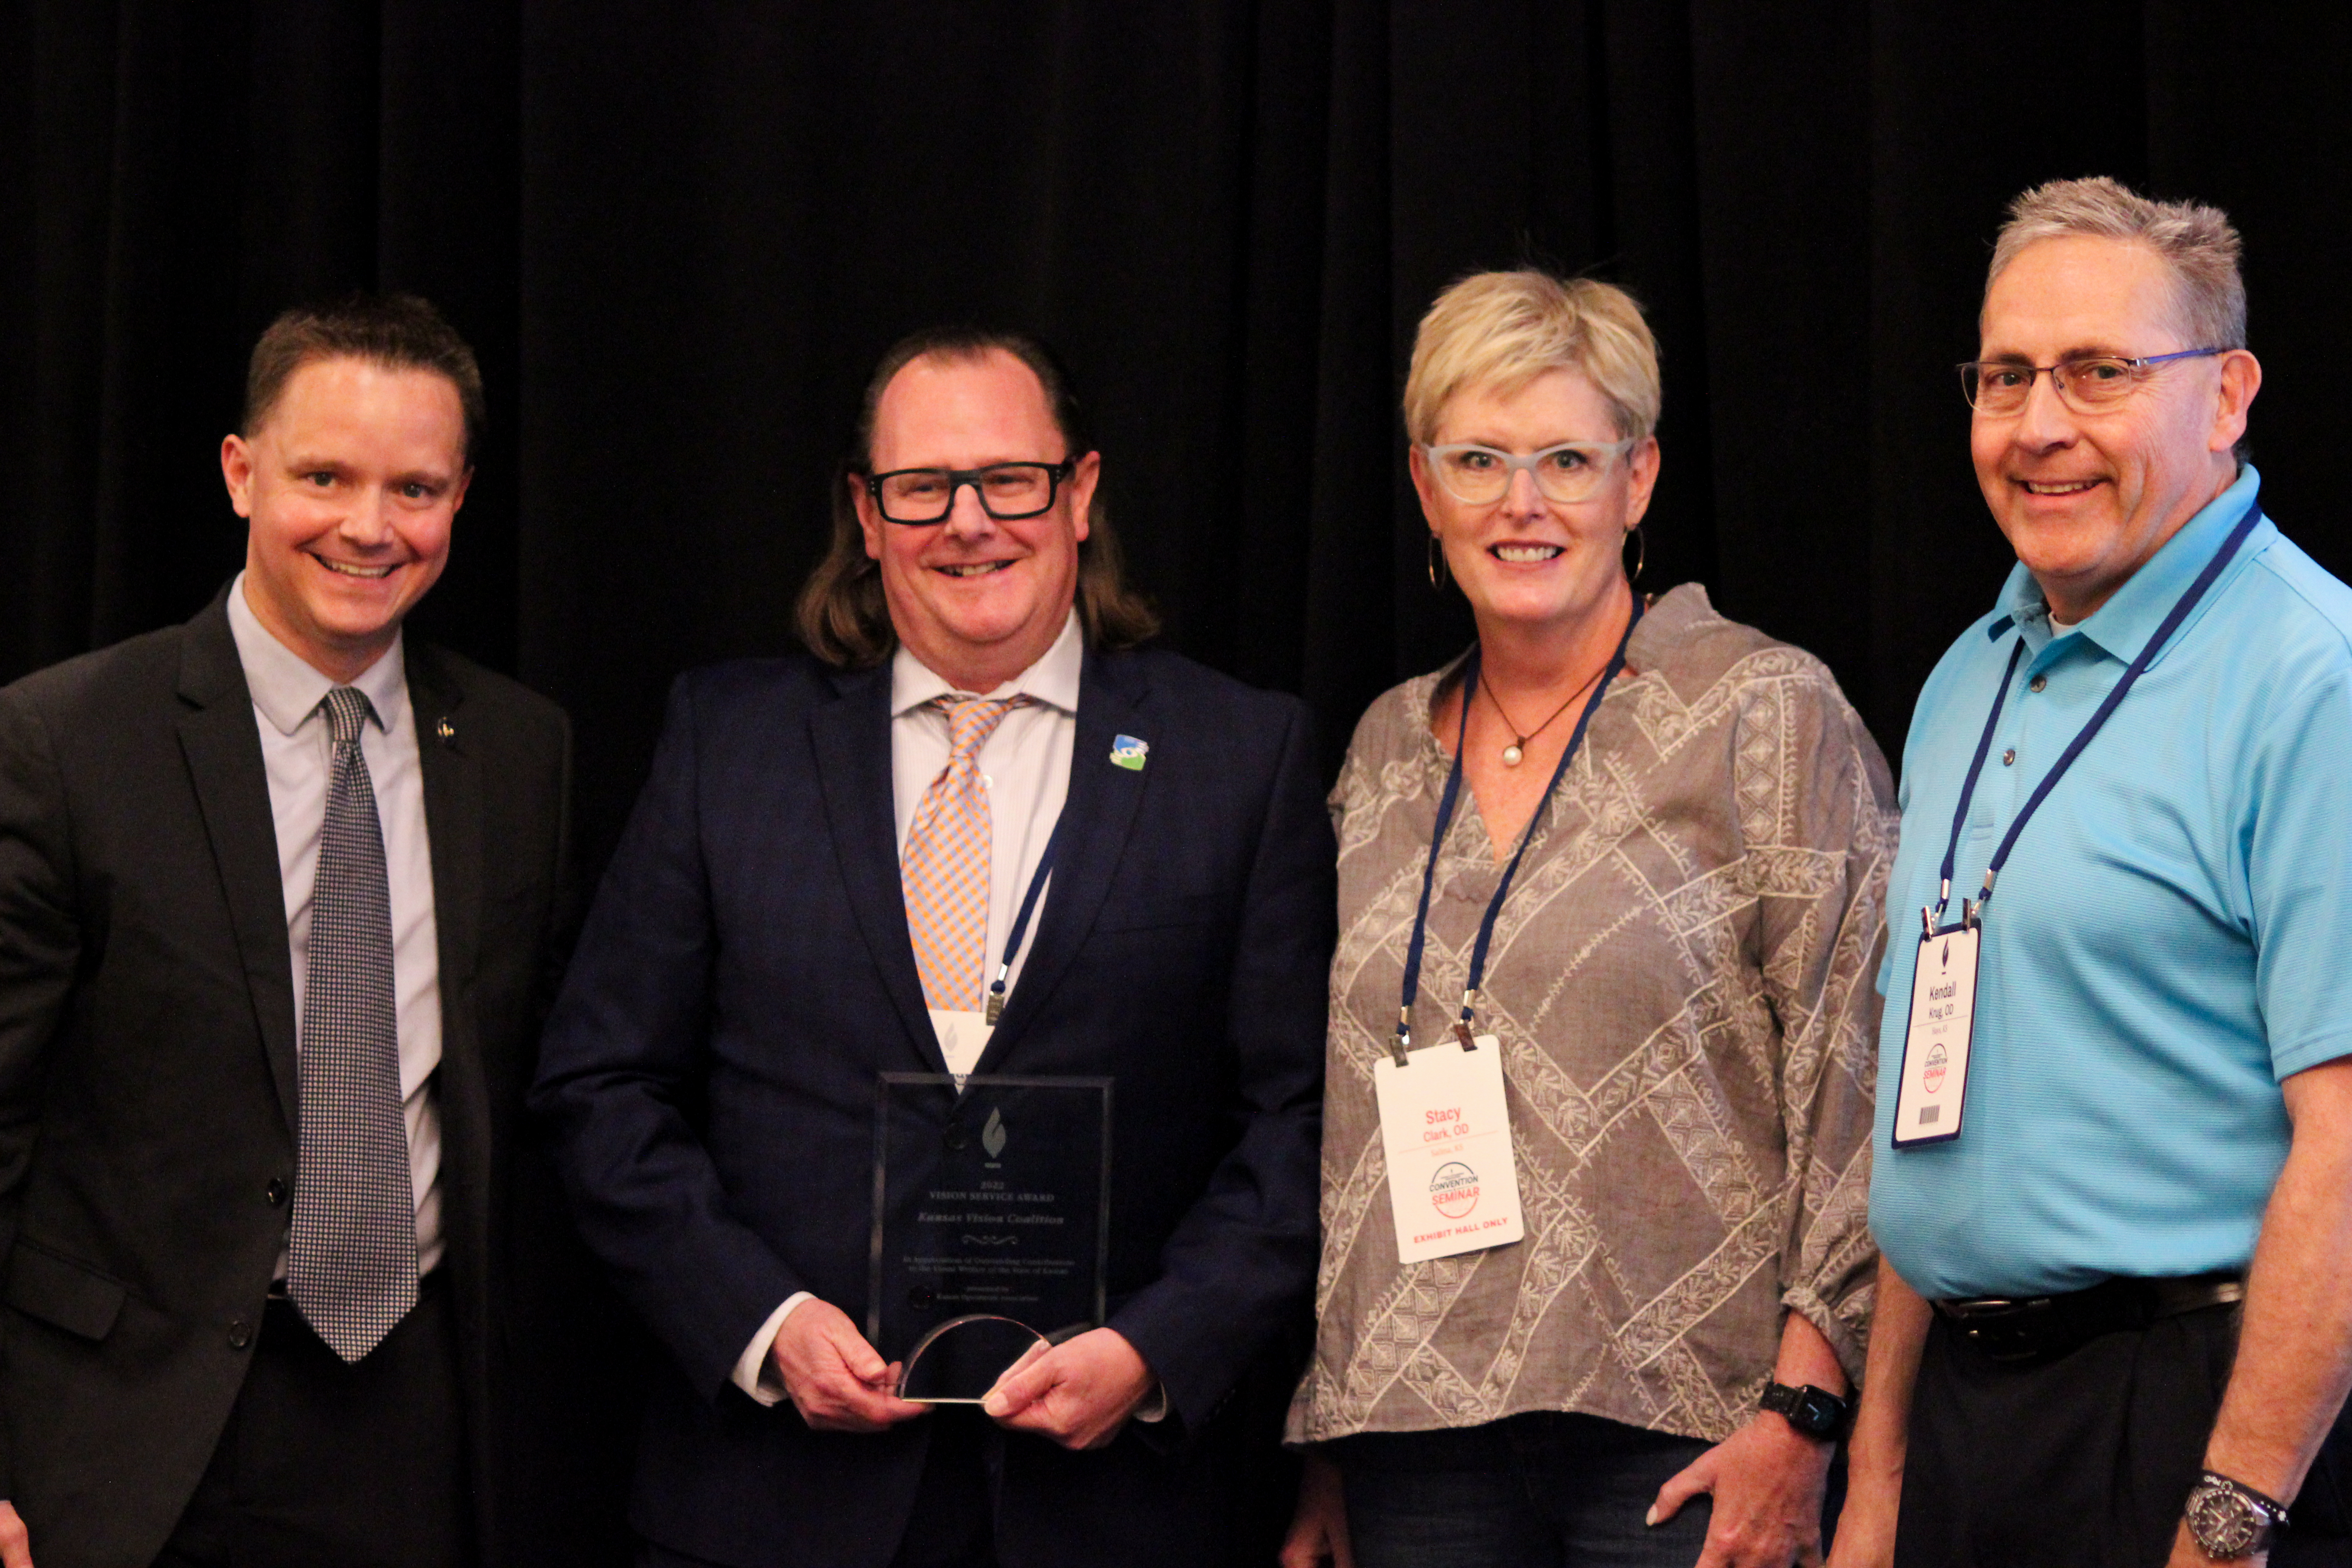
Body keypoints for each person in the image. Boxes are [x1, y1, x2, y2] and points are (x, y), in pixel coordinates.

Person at [532, 325, 1335, 1568]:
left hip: (1112, 1507)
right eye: (923, 489)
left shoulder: (1240, 756)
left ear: (1080, 496)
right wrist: (762, 1321)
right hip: (770, 1503)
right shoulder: (727, 743)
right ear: (866, 512)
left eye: (1010, 480)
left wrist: (1159, 1350)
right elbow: (599, 1088)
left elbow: (1296, 1122)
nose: (971, 522)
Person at [1279, 269, 1895, 1568]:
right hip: (1412, 1443)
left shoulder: (1763, 713)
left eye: (1568, 457)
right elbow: (1334, 1122)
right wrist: (1328, 1442)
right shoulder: (1383, 751)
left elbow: (1862, 1078)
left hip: (1692, 1434)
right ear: (1424, 484)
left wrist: (1805, 1409)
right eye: (1480, 459)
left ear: (1640, 478)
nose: (1523, 503)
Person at [0, 295, 611, 1568]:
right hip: (119, 1430)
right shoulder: (64, 742)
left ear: (460, 500)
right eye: (322, 476)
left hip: (417, 1418)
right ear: (240, 473)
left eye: (416, 487)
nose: (368, 527)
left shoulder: (520, 751)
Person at [1829, 177, 2352, 1568]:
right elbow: (1925, 1115)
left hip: (2198, 1424)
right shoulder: (1965, 678)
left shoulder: (2318, 680)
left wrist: (2227, 1530)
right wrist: (1878, 1482)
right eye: (2007, 376)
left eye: (2100, 372)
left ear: (2228, 395)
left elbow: (2349, 1154)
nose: (2041, 425)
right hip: (1967, 1431)